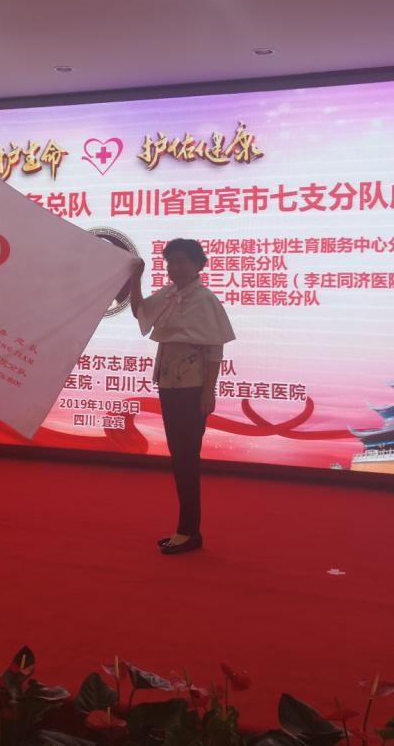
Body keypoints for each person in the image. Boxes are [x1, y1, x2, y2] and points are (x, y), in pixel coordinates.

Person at [128, 238, 235, 555]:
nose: (174, 267)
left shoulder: (205, 299)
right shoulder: (168, 294)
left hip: (191, 388)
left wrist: (208, 392)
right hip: (169, 384)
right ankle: (187, 530)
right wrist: (135, 279)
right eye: (170, 261)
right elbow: (139, 312)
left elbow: (214, 350)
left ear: (198, 264)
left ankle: (188, 531)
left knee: (186, 457)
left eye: (181, 261)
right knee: (180, 456)